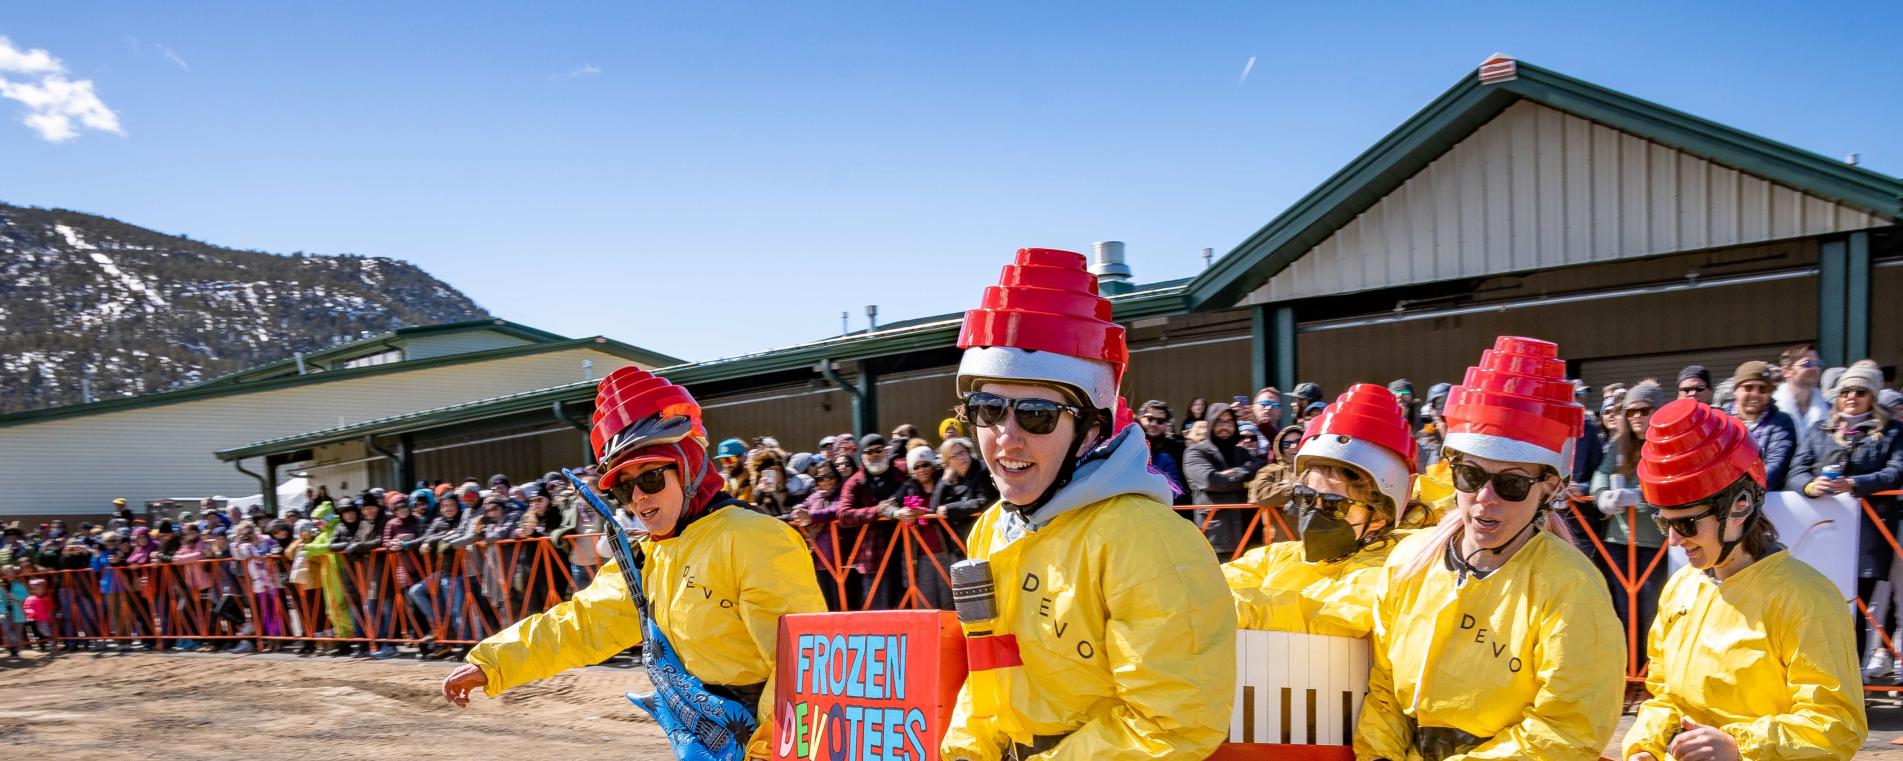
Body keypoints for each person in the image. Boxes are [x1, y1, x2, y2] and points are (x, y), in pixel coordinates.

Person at [441, 367, 824, 760]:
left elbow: (800, 664)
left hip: (766, 742)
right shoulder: (646, 559)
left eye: (652, 478)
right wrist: (493, 662)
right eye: (625, 486)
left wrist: (771, 751)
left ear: (688, 466)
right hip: (709, 744)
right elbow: (580, 624)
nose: (638, 496)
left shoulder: (755, 539)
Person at [941, 248, 1232, 760]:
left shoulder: (1147, 540)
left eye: (1036, 415)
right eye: (987, 410)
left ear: (1091, 429)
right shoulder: (992, 528)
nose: (1006, 439)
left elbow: (1174, 723)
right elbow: (988, 682)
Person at [1358, 336, 1623, 760]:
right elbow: (1385, 691)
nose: (1485, 498)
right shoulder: (1409, 562)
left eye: (1512, 484)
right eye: (1469, 476)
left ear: (1550, 487)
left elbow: (1568, 728)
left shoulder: (1572, 588)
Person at [1616, 398, 1866, 760]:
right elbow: (1664, 694)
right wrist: (1646, 748)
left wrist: (1738, 746)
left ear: (1740, 505)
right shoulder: (1682, 587)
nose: (1673, 540)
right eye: (1664, 523)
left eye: (1686, 523)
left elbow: (1838, 724)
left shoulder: (1807, 598)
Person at [1225, 384, 1416, 637]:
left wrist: (1227, 609)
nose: (1314, 512)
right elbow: (1212, 582)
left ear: (1379, 517)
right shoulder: (1282, 556)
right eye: (1305, 496)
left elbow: (1325, 616)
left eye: (1333, 504)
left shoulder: (1386, 574)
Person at [1787, 362, 1903, 677]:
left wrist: (1855, 484)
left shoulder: (1892, 431)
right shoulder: (1819, 429)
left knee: (1855, 610)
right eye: (1846, 391)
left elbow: (1896, 471)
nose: (1851, 397)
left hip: (1868, 535)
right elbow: (1796, 469)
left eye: (1860, 391)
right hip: (1819, 534)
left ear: (1873, 397)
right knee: (1815, 611)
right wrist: (1810, 486)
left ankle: (1850, 683)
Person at [1593, 378, 1670, 657]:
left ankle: (1650, 667)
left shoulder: (1669, 443)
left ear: (1658, 411)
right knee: (1622, 604)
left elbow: (1670, 479)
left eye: (1644, 410)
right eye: (1631, 411)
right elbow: (1601, 473)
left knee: (1651, 604)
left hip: (1654, 539)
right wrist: (1602, 495)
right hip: (1618, 537)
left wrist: (1638, 494)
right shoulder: (1619, 445)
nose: (1637, 416)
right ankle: (1627, 666)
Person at [1185, 400, 1266, 558]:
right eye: (1219, 421)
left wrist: (1235, 473)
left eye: (1229, 421)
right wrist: (1245, 478)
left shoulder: (1242, 453)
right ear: (1210, 423)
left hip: (1249, 536)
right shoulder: (1195, 452)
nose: (1225, 426)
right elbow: (1212, 481)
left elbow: (1262, 467)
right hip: (1215, 537)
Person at [1722, 360, 1798, 490]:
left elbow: (1775, 466)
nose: (1755, 394)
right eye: (1748, 387)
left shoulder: (1781, 422)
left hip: (1761, 501)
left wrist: (1742, 491)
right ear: (1736, 391)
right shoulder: (1719, 421)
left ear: (1769, 394)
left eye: (1762, 389)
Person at [931, 436, 998, 550]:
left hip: (983, 537)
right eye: (954, 456)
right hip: (958, 544)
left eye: (962, 452)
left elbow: (985, 501)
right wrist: (945, 482)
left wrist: (950, 508)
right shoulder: (949, 478)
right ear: (948, 462)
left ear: (969, 452)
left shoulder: (981, 470)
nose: (960, 458)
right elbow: (934, 508)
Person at [1136, 399, 1189, 503]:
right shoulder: (1131, 445)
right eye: (1150, 419)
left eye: (1160, 421)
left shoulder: (1178, 448)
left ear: (1166, 424)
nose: (1154, 424)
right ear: (1140, 418)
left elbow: (1178, 487)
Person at [1776, 343, 1830, 431]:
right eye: (1807, 364)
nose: (1814, 369)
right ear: (1786, 371)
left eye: (1817, 364)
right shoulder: (1773, 410)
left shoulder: (1829, 409)